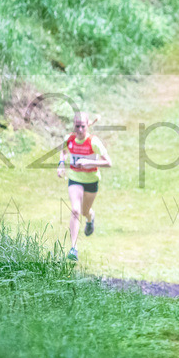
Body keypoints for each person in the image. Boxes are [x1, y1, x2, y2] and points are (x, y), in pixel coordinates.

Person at [57, 111, 111, 261]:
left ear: (87, 126)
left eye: (82, 127)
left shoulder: (94, 142)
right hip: (74, 179)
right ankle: (73, 248)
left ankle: (90, 217)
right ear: (73, 126)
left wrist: (90, 162)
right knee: (75, 209)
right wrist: (61, 165)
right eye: (77, 127)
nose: (79, 130)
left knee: (84, 211)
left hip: (91, 181)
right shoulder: (69, 139)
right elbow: (63, 152)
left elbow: (108, 162)